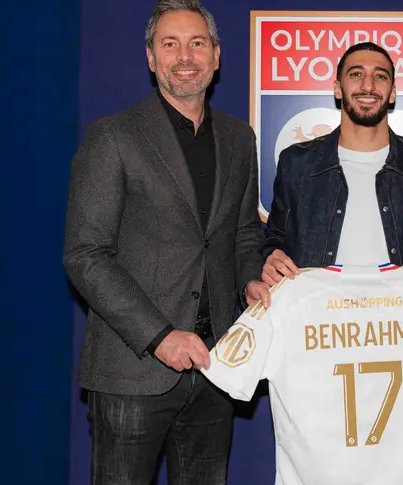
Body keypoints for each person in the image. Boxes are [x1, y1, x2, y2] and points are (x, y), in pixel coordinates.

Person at [63, 1, 267, 483]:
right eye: (169, 44)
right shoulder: (113, 137)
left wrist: (251, 282)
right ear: (151, 58)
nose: (185, 56)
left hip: (216, 368)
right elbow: (86, 255)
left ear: (216, 56)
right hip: (132, 370)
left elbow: (242, 234)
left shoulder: (239, 138)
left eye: (197, 43)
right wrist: (160, 336)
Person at [262, 42, 403, 288]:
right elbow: (275, 238)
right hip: (319, 310)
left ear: (392, 92)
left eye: (380, 76)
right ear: (337, 89)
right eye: (356, 74)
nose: (368, 86)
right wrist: (272, 257)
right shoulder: (297, 164)